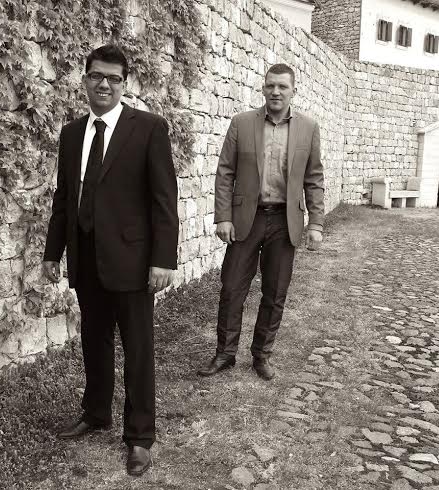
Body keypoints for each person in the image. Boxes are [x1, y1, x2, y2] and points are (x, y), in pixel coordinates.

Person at [41, 44, 178, 476]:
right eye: (97, 76)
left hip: (133, 261)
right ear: (84, 79)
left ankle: (140, 436)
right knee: (94, 340)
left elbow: (164, 200)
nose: (104, 84)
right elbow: (64, 197)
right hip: (86, 258)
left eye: (114, 78)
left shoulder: (149, 129)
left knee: (137, 349)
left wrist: (163, 259)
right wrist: (53, 252)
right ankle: (96, 412)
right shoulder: (70, 134)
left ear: (125, 84)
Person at [197, 63, 324, 381]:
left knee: (275, 292)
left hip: (285, 220)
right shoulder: (242, 123)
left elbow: (314, 178)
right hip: (246, 218)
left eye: (282, 86)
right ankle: (225, 354)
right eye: (270, 85)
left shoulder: (309, 128)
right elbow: (225, 172)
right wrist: (224, 216)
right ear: (264, 88)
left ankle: (261, 355)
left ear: (293, 91)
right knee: (231, 288)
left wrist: (316, 223)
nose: (276, 91)